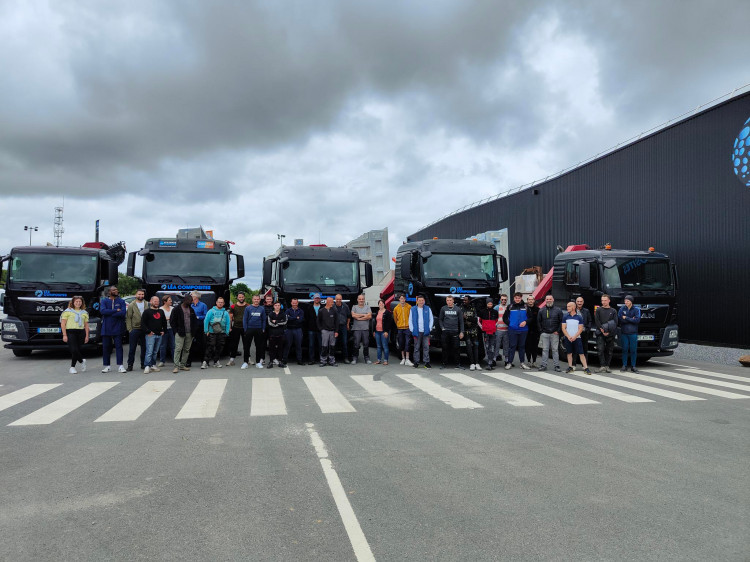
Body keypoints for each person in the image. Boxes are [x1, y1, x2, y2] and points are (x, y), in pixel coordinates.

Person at [100, 285, 127, 373]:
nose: (116, 291)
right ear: (109, 292)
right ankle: (107, 366)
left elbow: (123, 313)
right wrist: (116, 311)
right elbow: (103, 311)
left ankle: (120, 365)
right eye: (114, 290)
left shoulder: (121, 301)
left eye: (116, 289)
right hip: (106, 328)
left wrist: (110, 314)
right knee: (106, 347)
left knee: (119, 347)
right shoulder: (104, 301)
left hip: (118, 327)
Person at [60, 295, 89, 374]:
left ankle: (72, 367)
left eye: (80, 302)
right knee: (74, 350)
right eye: (76, 301)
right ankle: (82, 361)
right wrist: (64, 335)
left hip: (81, 332)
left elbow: (86, 325)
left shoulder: (84, 313)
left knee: (78, 350)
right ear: (73, 302)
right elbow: (63, 324)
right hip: (70, 332)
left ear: (82, 303)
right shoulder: (67, 311)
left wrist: (87, 336)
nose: (78, 303)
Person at [502, 292, 530, 370]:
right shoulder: (510, 306)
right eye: (516, 298)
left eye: (519, 298)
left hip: (523, 330)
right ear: (514, 298)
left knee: (522, 347)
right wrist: (510, 324)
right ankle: (509, 363)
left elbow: (531, 318)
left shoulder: (526, 306)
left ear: (521, 298)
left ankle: (522, 363)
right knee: (512, 346)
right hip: (512, 330)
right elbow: (504, 318)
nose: (517, 299)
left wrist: (526, 322)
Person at [562, 301, 591, 375]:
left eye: (569, 306)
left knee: (581, 353)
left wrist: (575, 336)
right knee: (569, 353)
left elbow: (580, 328)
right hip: (568, 338)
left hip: (577, 338)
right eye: (567, 306)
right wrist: (568, 336)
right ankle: (570, 366)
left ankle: (586, 367)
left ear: (573, 307)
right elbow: (563, 328)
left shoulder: (579, 317)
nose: (567, 308)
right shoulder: (565, 316)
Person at [170, 298, 199, 373]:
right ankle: (176, 366)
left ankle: (182, 365)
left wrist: (194, 331)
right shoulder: (177, 309)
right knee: (178, 349)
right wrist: (175, 331)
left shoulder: (191, 309)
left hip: (190, 333)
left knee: (186, 349)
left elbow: (195, 321)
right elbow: (172, 321)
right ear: (185, 300)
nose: (191, 302)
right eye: (190, 300)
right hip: (180, 332)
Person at [537, 294, 563, 372]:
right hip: (545, 333)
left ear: (553, 300)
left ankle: (557, 366)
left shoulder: (558, 310)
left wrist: (558, 331)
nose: (548, 300)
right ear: (545, 300)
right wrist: (541, 331)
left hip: (554, 334)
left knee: (555, 350)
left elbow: (561, 322)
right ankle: (543, 365)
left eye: (550, 299)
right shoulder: (541, 310)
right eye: (547, 299)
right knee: (545, 350)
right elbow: (538, 321)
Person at [141, 296, 167, 374]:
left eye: (158, 301)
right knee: (149, 351)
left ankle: (153, 364)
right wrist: (148, 331)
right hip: (150, 335)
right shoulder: (146, 312)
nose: (156, 303)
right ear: (151, 301)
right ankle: (147, 366)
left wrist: (163, 331)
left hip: (159, 335)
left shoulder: (161, 311)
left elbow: (164, 322)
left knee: (155, 351)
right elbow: (143, 323)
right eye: (155, 301)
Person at [203, 297, 230, 369]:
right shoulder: (211, 311)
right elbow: (206, 321)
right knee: (210, 346)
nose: (220, 303)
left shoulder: (226, 312)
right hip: (212, 332)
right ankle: (206, 361)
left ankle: (216, 361)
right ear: (216, 302)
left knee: (219, 347)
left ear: (223, 303)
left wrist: (227, 332)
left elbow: (228, 322)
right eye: (219, 302)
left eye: (222, 302)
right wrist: (206, 331)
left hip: (222, 332)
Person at [594, 294, 618, 373]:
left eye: (605, 300)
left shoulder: (613, 311)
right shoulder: (598, 310)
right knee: (600, 349)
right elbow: (597, 321)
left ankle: (607, 366)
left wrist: (608, 332)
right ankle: (602, 365)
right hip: (600, 333)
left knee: (609, 350)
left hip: (610, 334)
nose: (603, 302)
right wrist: (602, 330)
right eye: (602, 300)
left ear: (609, 300)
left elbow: (615, 322)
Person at [241, 294, 266, 369]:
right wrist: (245, 329)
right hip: (249, 329)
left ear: (259, 300)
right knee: (246, 347)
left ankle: (258, 362)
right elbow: (245, 319)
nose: (256, 301)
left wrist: (263, 328)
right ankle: (245, 362)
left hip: (259, 329)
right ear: (252, 300)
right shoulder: (248, 308)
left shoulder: (262, 308)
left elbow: (264, 319)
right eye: (255, 299)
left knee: (258, 346)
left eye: (257, 299)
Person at [439, 295, 464, 369]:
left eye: (450, 300)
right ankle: (444, 363)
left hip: (455, 331)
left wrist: (462, 332)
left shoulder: (458, 309)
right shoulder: (443, 308)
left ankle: (457, 364)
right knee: (444, 348)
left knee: (456, 348)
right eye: (447, 300)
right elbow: (440, 319)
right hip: (445, 331)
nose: (449, 302)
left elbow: (461, 322)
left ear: (453, 301)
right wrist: (442, 328)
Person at [409, 295, 434, 369]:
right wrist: (412, 329)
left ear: (424, 301)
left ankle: (426, 362)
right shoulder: (413, 309)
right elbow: (410, 320)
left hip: (425, 331)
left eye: (422, 300)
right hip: (417, 332)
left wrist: (429, 328)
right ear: (417, 301)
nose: (421, 302)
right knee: (416, 347)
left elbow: (431, 319)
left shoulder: (428, 309)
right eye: (419, 300)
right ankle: (416, 362)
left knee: (426, 347)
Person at [125, 289, 147, 371]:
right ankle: (130, 365)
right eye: (139, 294)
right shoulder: (131, 305)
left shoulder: (146, 304)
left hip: (144, 329)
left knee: (144, 348)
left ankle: (143, 364)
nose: (141, 296)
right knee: (132, 349)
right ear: (136, 295)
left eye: (142, 294)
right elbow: (128, 318)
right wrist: (130, 329)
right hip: (134, 329)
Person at [619, 294, 641, 373]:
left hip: (633, 332)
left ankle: (633, 366)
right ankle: (624, 365)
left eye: (627, 301)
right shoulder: (622, 308)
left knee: (633, 350)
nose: (626, 302)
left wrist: (627, 318)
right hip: (624, 332)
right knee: (624, 349)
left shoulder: (636, 309)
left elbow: (637, 320)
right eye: (625, 301)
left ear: (631, 302)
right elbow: (621, 319)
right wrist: (631, 319)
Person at [226, 292, 249, 366]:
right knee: (234, 344)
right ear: (237, 298)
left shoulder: (248, 306)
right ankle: (232, 360)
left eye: (242, 297)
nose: (241, 298)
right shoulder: (233, 306)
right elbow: (230, 318)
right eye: (240, 297)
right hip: (236, 327)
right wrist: (229, 327)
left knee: (246, 344)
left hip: (245, 328)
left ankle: (248, 359)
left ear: (244, 297)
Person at [187, 291, 208, 367]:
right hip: (191, 327)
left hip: (200, 327)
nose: (190, 296)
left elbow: (206, 316)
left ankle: (203, 361)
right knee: (190, 344)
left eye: (191, 295)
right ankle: (188, 361)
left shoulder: (203, 305)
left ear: (195, 297)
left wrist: (198, 317)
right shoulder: (190, 305)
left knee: (201, 344)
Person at [317, 296, 339, 367]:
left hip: (332, 331)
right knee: (324, 346)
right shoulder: (321, 311)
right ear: (327, 302)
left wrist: (336, 331)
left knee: (332, 346)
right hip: (325, 331)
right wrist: (321, 329)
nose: (332, 303)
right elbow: (318, 321)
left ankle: (332, 361)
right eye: (331, 301)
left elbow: (337, 321)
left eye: (333, 301)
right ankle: (323, 361)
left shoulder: (334, 310)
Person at [350, 294, 372, 364]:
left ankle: (367, 358)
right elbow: (353, 315)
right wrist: (364, 315)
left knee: (366, 343)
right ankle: (355, 358)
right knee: (356, 344)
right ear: (357, 300)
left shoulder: (368, 307)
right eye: (360, 299)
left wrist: (359, 317)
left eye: (362, 299)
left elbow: (369, 316)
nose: (361, 300)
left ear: (364, 300)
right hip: (356, 329)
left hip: (365, 328)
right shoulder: (354, 307)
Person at [478, 298, 499, 370]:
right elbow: (478, 321)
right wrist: (482, 328)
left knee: (492, 347)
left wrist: (493, 327)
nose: (490, 305)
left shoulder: (495, 312)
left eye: (491, 304)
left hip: (493, 332)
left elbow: (497, 321)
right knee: (487, 347)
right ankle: (488, 362)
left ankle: (491, 362)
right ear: (486, 304)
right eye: (488, 304)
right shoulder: (482, 311)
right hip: (485, 332)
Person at [393, 294, 414, 366]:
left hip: (407, 328)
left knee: (408, 343)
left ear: (405, 299)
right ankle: (403, 358)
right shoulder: (396, 308)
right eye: (401, 298)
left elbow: (411, 317)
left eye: (403, 298)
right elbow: (395, 318)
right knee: (401, 343)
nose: (402, 300)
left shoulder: (409, 307)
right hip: (400, 328)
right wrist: (399, 324)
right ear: (399, 299)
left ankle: (407, 358)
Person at [283, 298, 305, 366]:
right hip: (289, 329)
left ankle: (299, 360)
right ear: (291, 303)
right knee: (287, 345)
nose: (294, 304)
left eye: (296, 303)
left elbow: (300, 320)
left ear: (297, 303)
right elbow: (287, 319)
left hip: (298, 329)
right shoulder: (287, 310)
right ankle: (284, 360)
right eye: (293, 303)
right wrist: (296, 318)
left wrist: (292, 318)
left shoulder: (301, 311)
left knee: (298, 346)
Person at [461, 296, 480, 370]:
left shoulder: (473, 308)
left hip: (474, 330)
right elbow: (460, 319)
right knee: (468, 347)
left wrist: (467, 318)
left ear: (469, 301)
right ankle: (472, 363)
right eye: (463, 300)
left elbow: (475, 320)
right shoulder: (461, 308)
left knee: (476, 346)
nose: (464, 301)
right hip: (466, 330)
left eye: (466, 300)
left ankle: (477, 363)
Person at [267, 301, 288, 368]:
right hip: (272, 334)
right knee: (271, 349)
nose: (277, 307)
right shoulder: (270, 314)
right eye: (276, 305)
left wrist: (276, 322)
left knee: (280, 348)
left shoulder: (283, 314)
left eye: (278, 305)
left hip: (280, 334)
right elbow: (270, 323)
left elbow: (284, 322)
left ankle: (280, 362)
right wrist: (279, 322)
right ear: (274, 306)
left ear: (280, 306)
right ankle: (271, 362)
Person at [373, 299, 393, 365]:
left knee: (385, 346)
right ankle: (378, 360)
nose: (381, 304)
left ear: (384, 304)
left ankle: (385, 360)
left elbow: (389, 323)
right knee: (378, 346)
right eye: (379, 303)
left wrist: (386, 331)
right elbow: (375, 322)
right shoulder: (377, 312)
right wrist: (374, 331)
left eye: (382, 303)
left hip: (383, 332)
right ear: (378, 304)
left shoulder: (387, 312)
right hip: (377, 331)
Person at [575, 297, 593, 367]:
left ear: (583, 302)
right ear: (576, 302)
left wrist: (587, 330)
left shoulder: (586, 311)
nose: (579, 303)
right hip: (575, 333)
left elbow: (590, 321)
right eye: (578, 301)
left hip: (584, 333)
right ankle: (573, 365)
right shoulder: (573, 310)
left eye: (581, 301)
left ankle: (584, 366)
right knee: (574, 349)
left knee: (584, 349)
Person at [157, 295, 175, 367]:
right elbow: (159, 319)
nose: (171, 301)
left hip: (172, 329)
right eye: (169, 300)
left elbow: (174, 318)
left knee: (173, 346)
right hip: (163, 330)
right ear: (165, 301)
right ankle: (162, 361)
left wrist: (169, 319)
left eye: (171, 300)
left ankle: (175, 361)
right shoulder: (160, 309)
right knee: (163, 346)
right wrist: (166, 319)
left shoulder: (173, 309)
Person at [305, 293, 323, 365]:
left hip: (320, 329)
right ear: (313, 299)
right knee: (311, 345)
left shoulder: (322, 308)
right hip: (311, 329)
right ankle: (311, 359)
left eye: (318, 298)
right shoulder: (309, 308)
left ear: (320, 299)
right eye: (316, 298)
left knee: (321, 345)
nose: (317, 299)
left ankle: (321, 359)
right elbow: (306, 318)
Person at [334, 294, 352, 363]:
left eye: (339, 299)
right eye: (337, 299)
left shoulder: (345, 306)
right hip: (335, 327)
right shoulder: (333, 306)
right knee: (334, 343)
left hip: (343, 326)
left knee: (344, 342)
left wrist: (347, 325)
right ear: (335, 299)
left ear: (341, 299)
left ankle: (345, 358)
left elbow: (348, 316)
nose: (338, 300)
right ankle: (333, 359)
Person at [524, 296, 540, 368]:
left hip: (535, 330)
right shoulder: (524, 309)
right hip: (526, 330)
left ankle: (534, 361)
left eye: (532, 300)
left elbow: (540, 320)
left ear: (534, 301)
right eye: (529, 300)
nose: (530, 301)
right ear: (527, 301)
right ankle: (528, 361)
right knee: (527, 347)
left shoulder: (538, 309)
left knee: (535, 347)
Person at [494, 294, 510, 365]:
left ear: (507, 300)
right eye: (502, 299)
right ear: (500, 299)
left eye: (505, 299)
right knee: (496, 345)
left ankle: (506, 360)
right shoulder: (497, 307)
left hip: (506, 329)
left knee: (506, 345)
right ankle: (494, 359)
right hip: (498, 329)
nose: (503, 301)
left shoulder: (509, 307)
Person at [263, 293, 276, 365]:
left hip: (273, 328)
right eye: (267, 299)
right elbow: (262, 317)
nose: (269, 300)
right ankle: (262, 359)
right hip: (265, 327)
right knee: (263, 344)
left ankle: (273, 359)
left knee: (272, 344)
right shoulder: (262, 307)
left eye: (270, 299)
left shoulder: (275, 307)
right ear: (265, 300)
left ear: (272, 300)